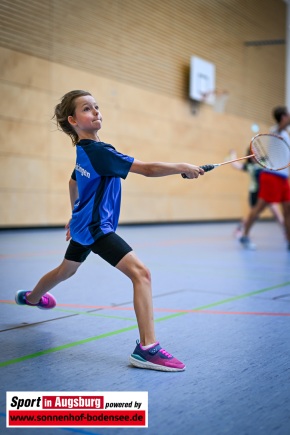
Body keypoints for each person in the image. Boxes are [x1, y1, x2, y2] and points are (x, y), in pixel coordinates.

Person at [15, 89, 204, 372]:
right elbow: (149, 169)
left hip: (83, 224)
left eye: (96, 107)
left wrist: (74, 212)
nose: (96, 112)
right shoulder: (100, 153)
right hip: (95, 228)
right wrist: (182, 167)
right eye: (87, 109)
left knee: (65, 271)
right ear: (73, 120)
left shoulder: (84, 151)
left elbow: (72, 182)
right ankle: (147, 349)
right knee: (142, 274)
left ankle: (31, 298)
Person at [239, 106, 290, 250]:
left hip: (283, 178)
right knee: (259, 208)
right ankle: (245, 235)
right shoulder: (276, 131)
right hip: (271, 176)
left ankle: (289, 241)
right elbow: (284, 125)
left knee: (288, 209)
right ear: (283, 117)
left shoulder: (286, 135)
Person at [229, 147, 284, 239]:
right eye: (252, 152)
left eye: (256, 152)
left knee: (276, 212)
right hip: (255, 193)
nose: (255, 154)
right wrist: (233, 154)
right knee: (254, 215)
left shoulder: (265, 163)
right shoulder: (249, 166)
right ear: (249, 155)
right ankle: (241, 228)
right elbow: (236, 165)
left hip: (267, 191)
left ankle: (286, 231)